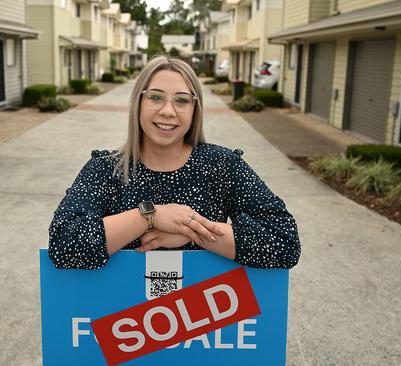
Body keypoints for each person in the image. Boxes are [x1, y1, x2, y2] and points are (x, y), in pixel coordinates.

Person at [49, 56, 300, 270]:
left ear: (194, 109)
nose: (168, 111)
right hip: (123, 321)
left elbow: (284, 242)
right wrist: (150, 215)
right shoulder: (105, 169)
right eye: (156, 97)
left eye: (181, 100)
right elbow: (63, 246)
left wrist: (192, 233)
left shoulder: (223, 166)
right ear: (138, 102)